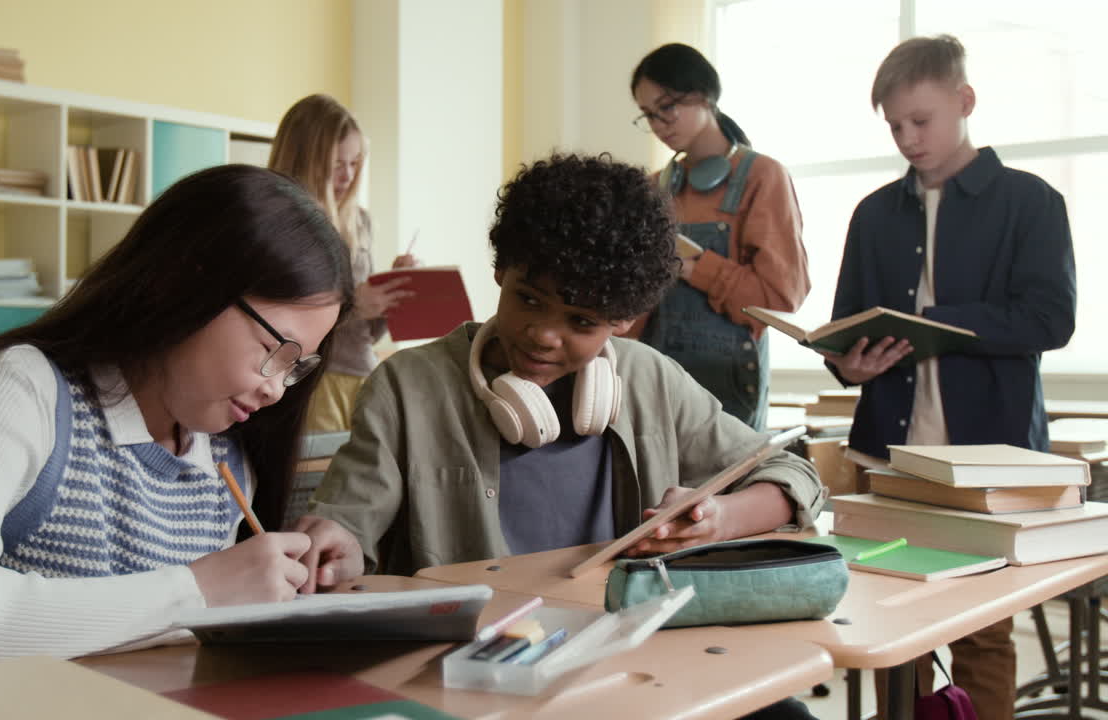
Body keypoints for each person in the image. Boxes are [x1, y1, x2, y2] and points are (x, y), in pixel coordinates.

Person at [294, 153, 826, 719]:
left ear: (623, 319)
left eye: (581, 321)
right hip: (486, 680)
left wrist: (721, 516)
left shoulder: (648, 379)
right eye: (529, 300)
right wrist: (338, 548)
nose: (544, 336)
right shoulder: (408, 387)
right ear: (502, 269)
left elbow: (793, 473)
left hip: (631, 664)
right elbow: (351, 529)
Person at [0, 165, 355, 676]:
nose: (276, 387)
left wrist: (308, 576)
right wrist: (197, 590)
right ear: (185, 282)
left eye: (297, 366)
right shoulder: (25, 391)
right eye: (276, 349)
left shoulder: (226, 455)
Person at [825, 35, 1075, 720]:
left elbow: (1050, 320)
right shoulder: (874, 213)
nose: (907, 138)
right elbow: (846, 324)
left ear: (964, 102)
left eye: (921, 120)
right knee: (887, 623)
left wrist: (935, 321)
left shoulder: (1032, 202)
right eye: (895, 125)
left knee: (982, 629)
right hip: (886, 453)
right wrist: (846, 363)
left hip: (990, 461)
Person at [627, 43, 811, 430]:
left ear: (706, 96)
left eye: (668, 106)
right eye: (648, 115)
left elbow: (779, 296)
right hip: (655, 381)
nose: (659, 124)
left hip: (727, 388)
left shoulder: (763, 177)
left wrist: (694, 269)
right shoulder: (652, 189)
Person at [269, 94, 416, 433]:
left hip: (362, 375)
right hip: (311, 379)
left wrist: (389, 294)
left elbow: (367, 333)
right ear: (306, 159)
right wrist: (352, 304)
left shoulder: (360, 222)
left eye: (355, 163)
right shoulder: (282, 220)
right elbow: (279, 318)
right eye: (337, 164)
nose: (348, 175)